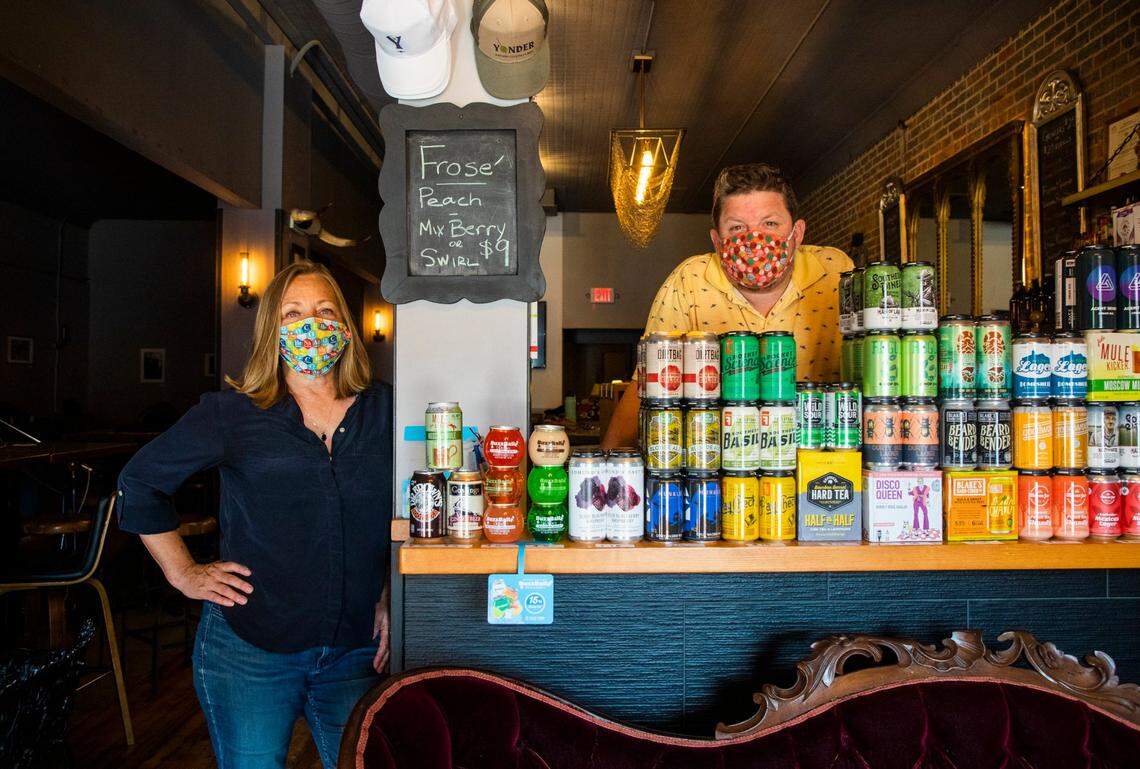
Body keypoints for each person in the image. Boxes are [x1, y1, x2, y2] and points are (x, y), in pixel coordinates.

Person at [117, 260, 393, 769]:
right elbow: (140, 482)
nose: (312, 323)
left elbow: (417, 507)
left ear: (347, 329)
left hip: (357, 650)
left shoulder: (386, 412)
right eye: (293, 313)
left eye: (325, 310)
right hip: (251, 649)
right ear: (272, 330)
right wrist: (184, 573)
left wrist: (392, 591)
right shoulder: (231, 413)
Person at [602, 163, 852, 449]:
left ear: (797, 233)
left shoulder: (836, 272)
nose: (754, 240)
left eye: (770, 224)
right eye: (737, 228)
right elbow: (648, 386)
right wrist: (610, 467)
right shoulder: (689, 282)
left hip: (822, 461)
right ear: (717, 242)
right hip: (716, 465)